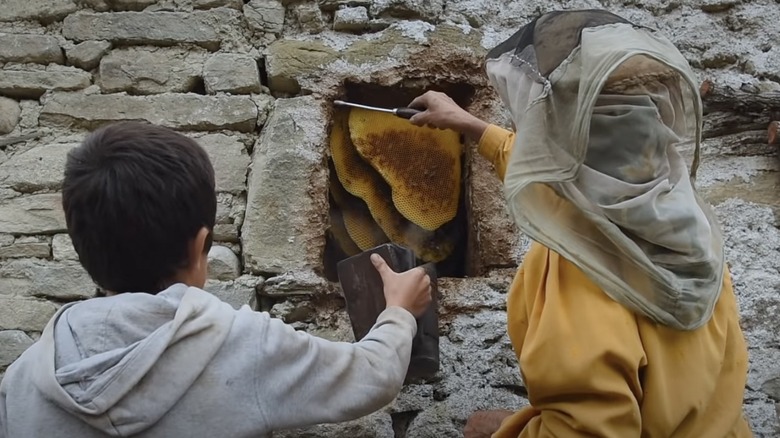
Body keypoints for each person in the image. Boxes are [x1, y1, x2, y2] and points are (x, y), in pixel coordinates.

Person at [408, 9, 752, 438]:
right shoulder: (684, 222)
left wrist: (501, 432)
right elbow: (576, 170)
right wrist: (473, 126)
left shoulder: (578, 272)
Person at [0, 122, 433, 437]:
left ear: (80, 243)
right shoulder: (243, 343)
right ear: (199, 245)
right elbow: (370, 377)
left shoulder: (23, 380)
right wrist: (398, 312)